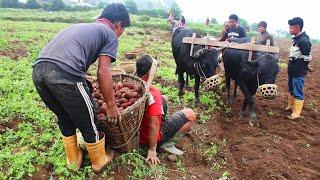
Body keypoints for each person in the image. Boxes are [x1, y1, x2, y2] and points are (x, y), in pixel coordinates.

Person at [32, 3, 130, 172]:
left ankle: (73, 160)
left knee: (64, 115)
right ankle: (99, 160)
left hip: (39, 71)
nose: (120, 34)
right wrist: (112, 106)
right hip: (64, 74)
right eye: (123, 30)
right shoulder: (110, 34)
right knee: (89, 116)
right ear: (118, 25)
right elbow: (103, 70)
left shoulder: (83, 27)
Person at [136, 55, 197, 164]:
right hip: (150, 135)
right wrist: (152, 149)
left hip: (138, 130)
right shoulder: (152, 94)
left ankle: (162, 117)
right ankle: (167, 143)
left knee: (165, 98)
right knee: (190, 114)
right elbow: (153, 125)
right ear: (149, 73)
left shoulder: (133, 85)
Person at [285, 17, 312, 120]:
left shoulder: (304, 41)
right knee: (291, 89)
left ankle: (296, 113)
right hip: (292, 69)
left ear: (297, 28)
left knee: (297, 91)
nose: (289, 30)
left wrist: (307, 67)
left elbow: (307, 57)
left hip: (298, 70)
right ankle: (290, 106)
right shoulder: (296, 39)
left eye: (291, 28)